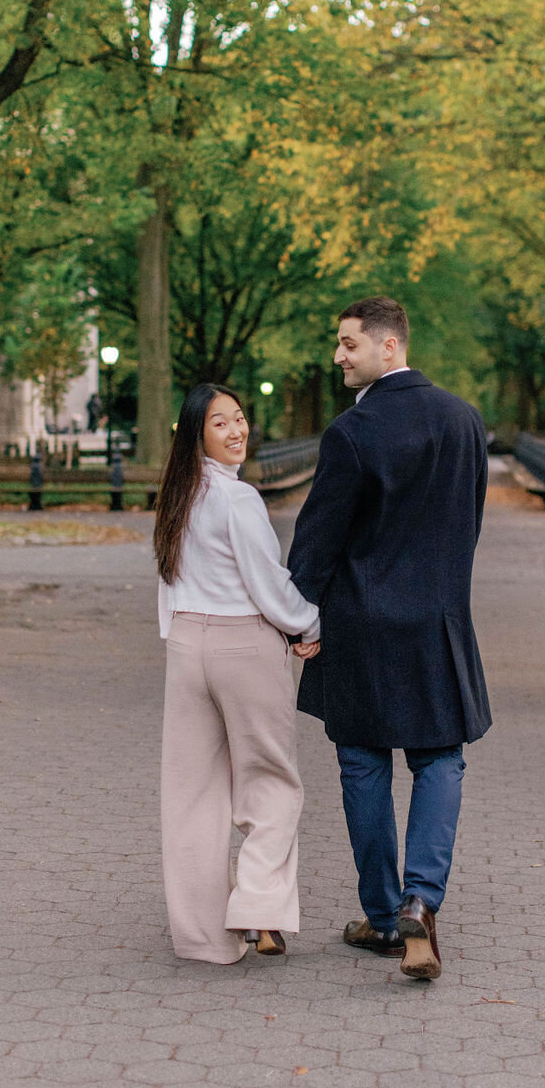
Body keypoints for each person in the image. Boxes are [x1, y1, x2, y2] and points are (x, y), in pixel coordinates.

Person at [288, 296, 490, 981]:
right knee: (440, 760)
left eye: (348, 343)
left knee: (364, 763)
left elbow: (317, 541)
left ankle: (381, 914)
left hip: (363, 625)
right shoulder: (465, 420)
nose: (338, 355)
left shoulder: (354, 430)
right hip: (437, 620)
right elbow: (470, 522)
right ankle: (420, 901)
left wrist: (295, 616)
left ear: (389, 347)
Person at [154, 383, 320, 965]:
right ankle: (257, 906)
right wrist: (306, 623)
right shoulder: (236, 498)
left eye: (241, 418)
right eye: (220, 423)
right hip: (243, 643)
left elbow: (169, 581)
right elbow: (266, 580)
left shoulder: (177, 495)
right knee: (270, 782)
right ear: (197, 434)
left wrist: (178, 637)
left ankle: (202, 938)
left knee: (193, 795)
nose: (237, 430)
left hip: (186, 645)